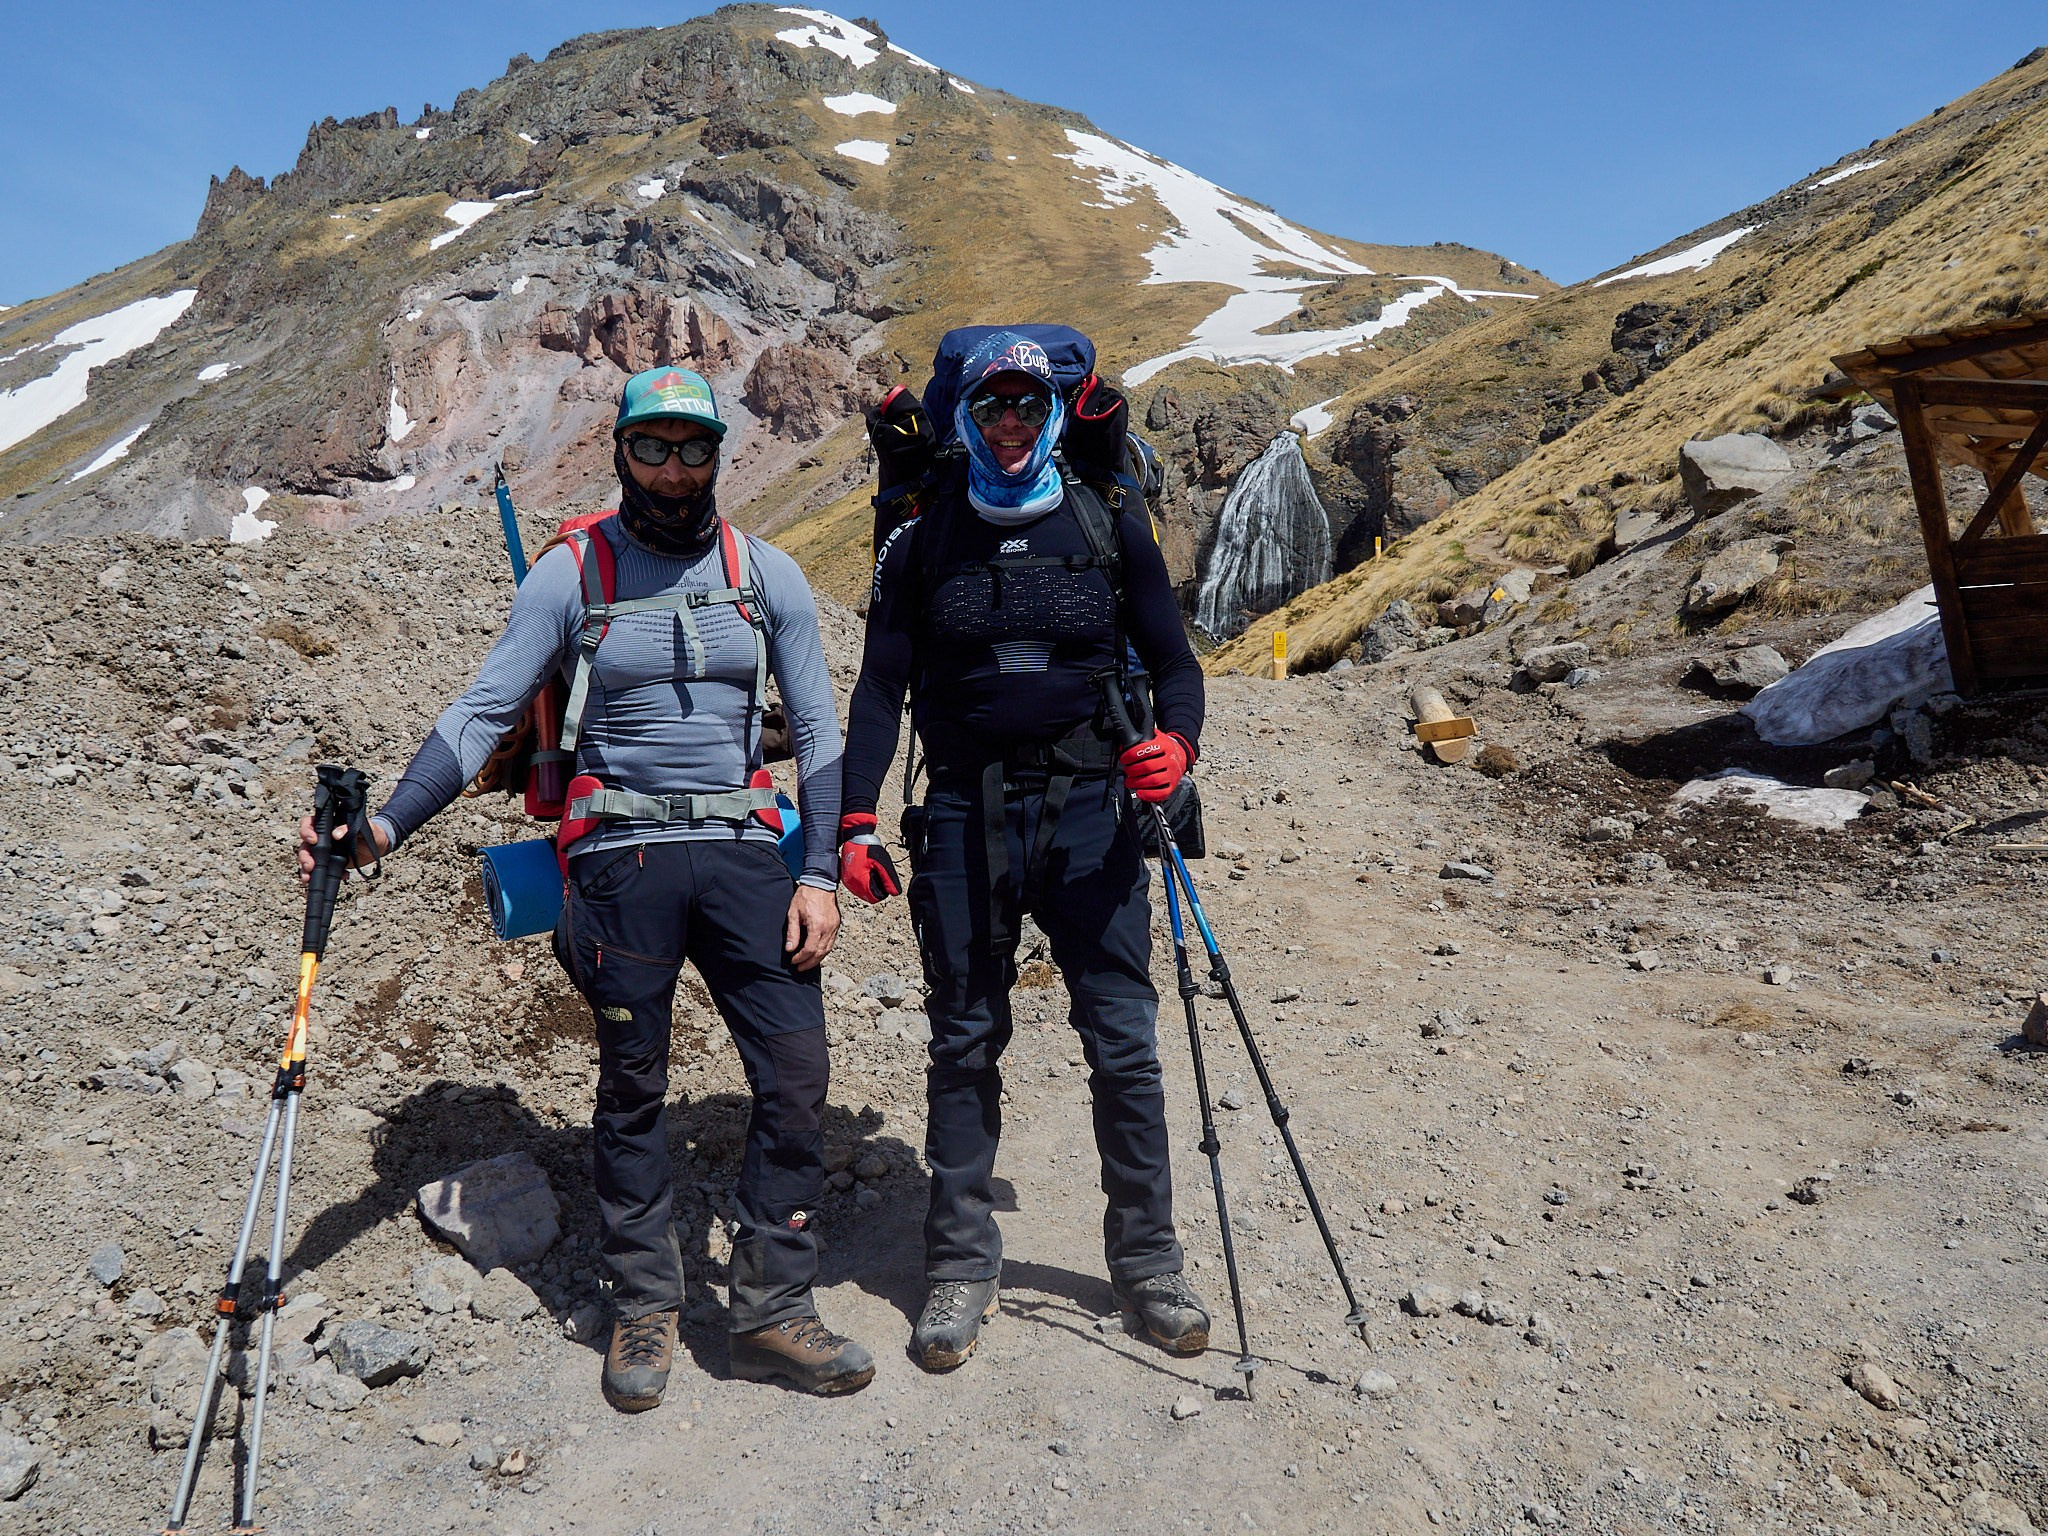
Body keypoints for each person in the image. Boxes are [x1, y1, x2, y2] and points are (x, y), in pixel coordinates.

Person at [297, 366, 873, 1409]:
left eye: (691, 447)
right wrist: (380, 827)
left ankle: (769, 1310)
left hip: (747, 854)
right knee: (633, 1085)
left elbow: (822, 733)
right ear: (620, 451)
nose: (671, 467)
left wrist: (822, 873)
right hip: (616, 864)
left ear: (717, 456)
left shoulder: (768, 575)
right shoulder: (570, 575)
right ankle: (645, 1305)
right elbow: (480, 714)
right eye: (650, 445)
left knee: (795, 1076)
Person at [837, 329, 1211, 1369]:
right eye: (992, 407)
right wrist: (852, 822)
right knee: (962, 1040)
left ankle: (1148, 1264)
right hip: (962, 813)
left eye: (1027, 407)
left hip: (1093, 809)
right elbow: (876, 691)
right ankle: (958, 1266)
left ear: (1052, 415)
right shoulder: (920, 534)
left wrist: (1174, 748)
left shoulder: (1105, 517)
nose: (1009, 424)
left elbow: (1175, 664)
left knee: (1124, 1043)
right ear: (967, 417)